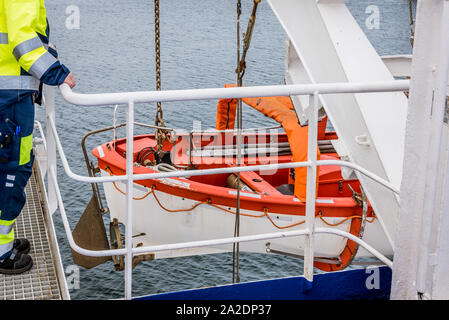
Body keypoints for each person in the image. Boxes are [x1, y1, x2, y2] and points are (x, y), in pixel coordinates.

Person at [0, 0, 76, 274]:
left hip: (8, 95)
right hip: (10, 98)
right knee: (12, 170)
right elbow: (22, 41)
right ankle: (2, 253)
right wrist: (57, 72)